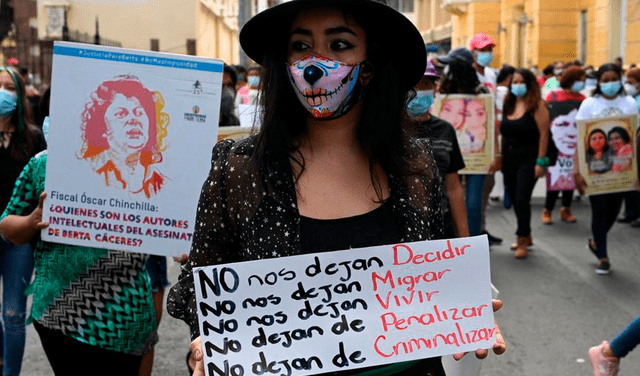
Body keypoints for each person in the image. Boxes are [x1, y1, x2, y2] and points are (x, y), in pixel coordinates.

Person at [167, 1, 506, 375]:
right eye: (300, 46)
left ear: (370, 68)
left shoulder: (416, 164)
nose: (315, 64)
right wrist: (208, 343)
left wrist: (461, 308)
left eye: (339, 45)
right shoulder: (238, 167)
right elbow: (201, 284)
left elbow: (426, 273)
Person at [0, 151, 158, 375]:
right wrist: (32, 220)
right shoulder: (43, 163)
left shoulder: (145, 162)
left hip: (126, 314)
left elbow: (174, 221)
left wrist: (181, 240)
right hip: (60, 314)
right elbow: (7, 226)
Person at [0, 65, 45, 376]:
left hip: (19, 237)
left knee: (13, 313)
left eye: (9, 87)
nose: (3, 93)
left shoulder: (32, 138)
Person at [574, 63, 639, 274]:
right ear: (598, 82)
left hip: (622, 168)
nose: (610, 84)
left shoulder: (629, 103)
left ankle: (596, 241)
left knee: (613, 210)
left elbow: (635, 138)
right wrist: (577, 170)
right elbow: (580, 140)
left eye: (614, 79)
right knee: (600, 210)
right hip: (595, 167)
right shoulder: (589, 104)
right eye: (605, 80)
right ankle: (603, 255)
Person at [436, 47, 502, 241]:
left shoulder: (478, 93)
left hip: (474, 156)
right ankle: (460, 241)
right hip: (460, 153)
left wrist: (495, 154)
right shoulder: (446, 93)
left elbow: (491, 126)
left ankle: (470, 241)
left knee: (471, 202)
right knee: (456, 199)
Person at [78, 75, 169, 198]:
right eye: (121, 114)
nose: (133, 120)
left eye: (139, 113)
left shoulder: (161, 182)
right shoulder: (85, 174)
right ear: (101, 127)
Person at [409, 61, 468, 239]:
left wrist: (465, 237)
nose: (418, 91)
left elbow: (453, 187)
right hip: (396, 231)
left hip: (440, 228)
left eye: (425, 84)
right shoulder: (386, 130)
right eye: (412, 85)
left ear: (435, 89)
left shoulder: (445, 131)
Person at [501, 68, 550, 258]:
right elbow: (504, 134)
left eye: (521, 82)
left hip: (529, 159)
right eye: (514, 82)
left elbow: (544, 134)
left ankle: (521, 239)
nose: (517, 85)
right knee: (514, 198)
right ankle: (527, 233)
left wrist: (540, 161)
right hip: (509, 159)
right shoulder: (509, 104)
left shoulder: (537, 105)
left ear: (529, 84)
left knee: (522, 198)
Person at [541, 66, 586, 224]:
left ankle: (565, 208)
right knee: (555, 176)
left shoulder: (583, 99)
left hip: (574, 144)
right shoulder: (553, 96)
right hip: (555, 144)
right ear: (571, 79)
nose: (583, 82)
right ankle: (548, 209)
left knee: (571, 177)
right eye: (580, 79)